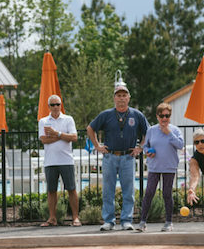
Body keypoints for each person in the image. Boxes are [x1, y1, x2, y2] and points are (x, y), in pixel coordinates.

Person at [87, 82, 149, 231]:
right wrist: (97, 146)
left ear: (129, 98)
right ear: (114, 98)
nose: (121, 98)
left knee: (128, 190)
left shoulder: (137, 115)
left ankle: (126, 220)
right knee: (108, 190)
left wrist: (140, 147)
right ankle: (109, 221)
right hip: (110, 157)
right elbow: (90, 128)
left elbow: (148, 131)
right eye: (118, 95)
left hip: (128, 157)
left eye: (124, 95)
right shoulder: (106, 114)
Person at [137, 103, 184, 232]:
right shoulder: (151, 130)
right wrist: (147, 151)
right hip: (154, 167)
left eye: (167, 116)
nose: (164, 118)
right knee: (149, 193)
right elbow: (145, 146)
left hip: (169, 167)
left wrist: (169, 133)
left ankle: (169, 222)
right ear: (157, 116)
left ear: (170, 116)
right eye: (162, 116)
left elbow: (180, 145)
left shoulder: (174, 130)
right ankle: (142, 223)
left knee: (166, 194)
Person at [38, 94, 81, 227]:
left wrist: (56, 133)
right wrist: (63, 136)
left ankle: (75, 218)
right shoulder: (43, 121)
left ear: (61, 105)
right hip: (50, 161)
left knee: (72, 189)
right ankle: (52, 218)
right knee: (51, 191)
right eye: (53, 105)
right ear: (48, 106)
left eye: (58, 104)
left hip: (66, 160)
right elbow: (43, 140)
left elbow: (74, 137)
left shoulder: (68, 119)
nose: (56, 107)